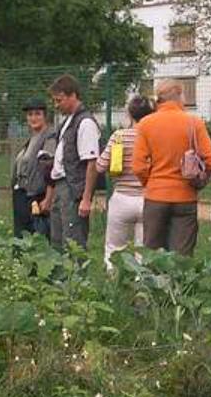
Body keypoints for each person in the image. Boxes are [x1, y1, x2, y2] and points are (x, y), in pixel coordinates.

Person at [132, 80, 211, 255]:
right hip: (185, 196)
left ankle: (155, 282)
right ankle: (179, 282)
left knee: (153, 255)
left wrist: (150, 182)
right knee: (182, 257)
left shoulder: (146, 124)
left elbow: (138, 166)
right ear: (179, 97)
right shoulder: (194, 123)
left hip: (156, 195)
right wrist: (200, 181)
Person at [94, 95, 155, 267]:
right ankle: (141, 285)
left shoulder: (118, 136)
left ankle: (113, 282)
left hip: (121, 197)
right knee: (143, 251)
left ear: (129, 114)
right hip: (148, 199)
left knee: (114, 248)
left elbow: (100, 166)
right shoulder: (154, 137)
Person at [43, 75, 101, 250]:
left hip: (73, 189)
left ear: (73, 95)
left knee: (73, 242)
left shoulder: (85, 123)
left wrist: (86, 199)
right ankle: (61, 278)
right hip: (61, 185)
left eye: (59, 100)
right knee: (57, 239)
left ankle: (76, 277)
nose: (56, 105)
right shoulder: (67, 121)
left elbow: (92, 164)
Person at [11, 95, 56, 238]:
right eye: (30, 114)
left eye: (37, 114)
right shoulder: (31, 138)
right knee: (20, 238)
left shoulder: (49, 137)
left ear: (45, 116)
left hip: (37, 196)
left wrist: (48, 199)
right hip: (22, 194)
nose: (33, 118)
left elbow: (50, 169)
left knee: (37, 239)